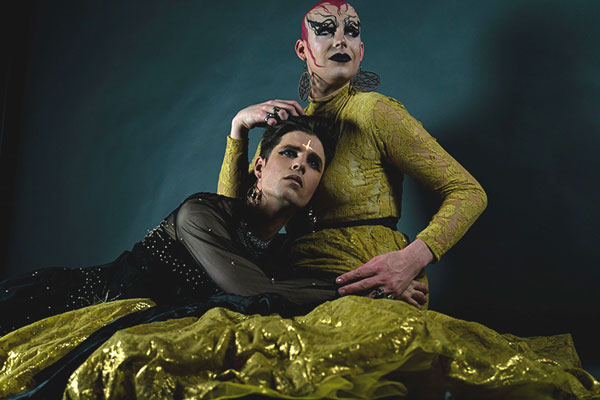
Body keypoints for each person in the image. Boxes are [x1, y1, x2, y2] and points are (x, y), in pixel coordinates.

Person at [217, 0, 487, 309]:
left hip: (375, 284)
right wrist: (238, 129)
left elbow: (469, 192)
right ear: (302, 50)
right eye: (326, 30)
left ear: (361, 49)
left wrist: (411, 259)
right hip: (299, 284)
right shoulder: (292, 134)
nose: (341, 40)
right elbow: (227, 223)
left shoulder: (374, 112)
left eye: (352, 31)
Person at [0, 110, 337, 337]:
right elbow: (253, 290)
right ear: (259, 168)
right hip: (81, 304)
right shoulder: (201, 212)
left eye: (313, 163)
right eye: (289, 153)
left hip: (148, 327)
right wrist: (345, 290)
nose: (300, 165)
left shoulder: (281, 252)